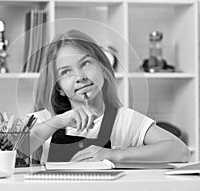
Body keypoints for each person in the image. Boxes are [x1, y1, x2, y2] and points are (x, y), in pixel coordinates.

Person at [18, 29, 190, 163]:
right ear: (59, 88)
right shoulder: (42, 120)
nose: (80, 77)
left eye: (85, 64)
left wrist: (113, 154)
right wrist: (58, 121)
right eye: (66, 72)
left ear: (103, 69)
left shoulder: (124, 120)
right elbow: (15, 151)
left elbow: (180, 151)